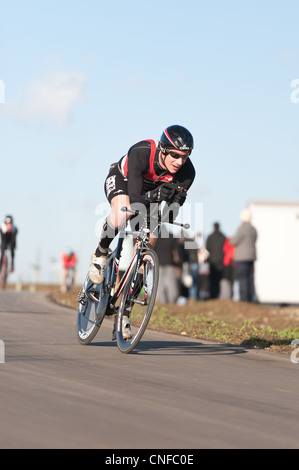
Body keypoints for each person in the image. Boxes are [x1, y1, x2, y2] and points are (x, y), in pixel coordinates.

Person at [88, 125, 196, 335]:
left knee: (148, 246)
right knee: (122, 213)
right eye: (175, 155)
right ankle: (100, 253)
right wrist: (154, 197)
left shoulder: (188, 172)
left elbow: (169, 216)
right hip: (124, 181)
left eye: (185, 156)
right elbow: (135, 199)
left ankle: (124, 314)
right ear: (163, 150)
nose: (179, 162)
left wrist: (176, 201)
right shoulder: (141, 153)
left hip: (149, 197)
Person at [230, 208, 257, 302]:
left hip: (241, 257)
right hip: (252, 256)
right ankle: (251, 298)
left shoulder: (242, 228)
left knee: (243, 278)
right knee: (250, 278)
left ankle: (244, 299)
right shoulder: (253, 229)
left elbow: (233, 241)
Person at [154, 226, 180, 304]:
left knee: (160, 282)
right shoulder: (171, 236)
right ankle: (172, 300)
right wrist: (179, 263)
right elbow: (177, 250)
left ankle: (162, 300)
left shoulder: (156, 237)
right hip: (170, 262)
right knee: (172, 282)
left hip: (158, 262)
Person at [206, 222, 226, 298]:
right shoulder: (223, 237)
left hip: (212, 262)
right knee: (219, 280)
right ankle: (217, 295)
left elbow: (207, 250)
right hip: (221, 262)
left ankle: (213, 295)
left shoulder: (210, 237)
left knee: (212, 280)